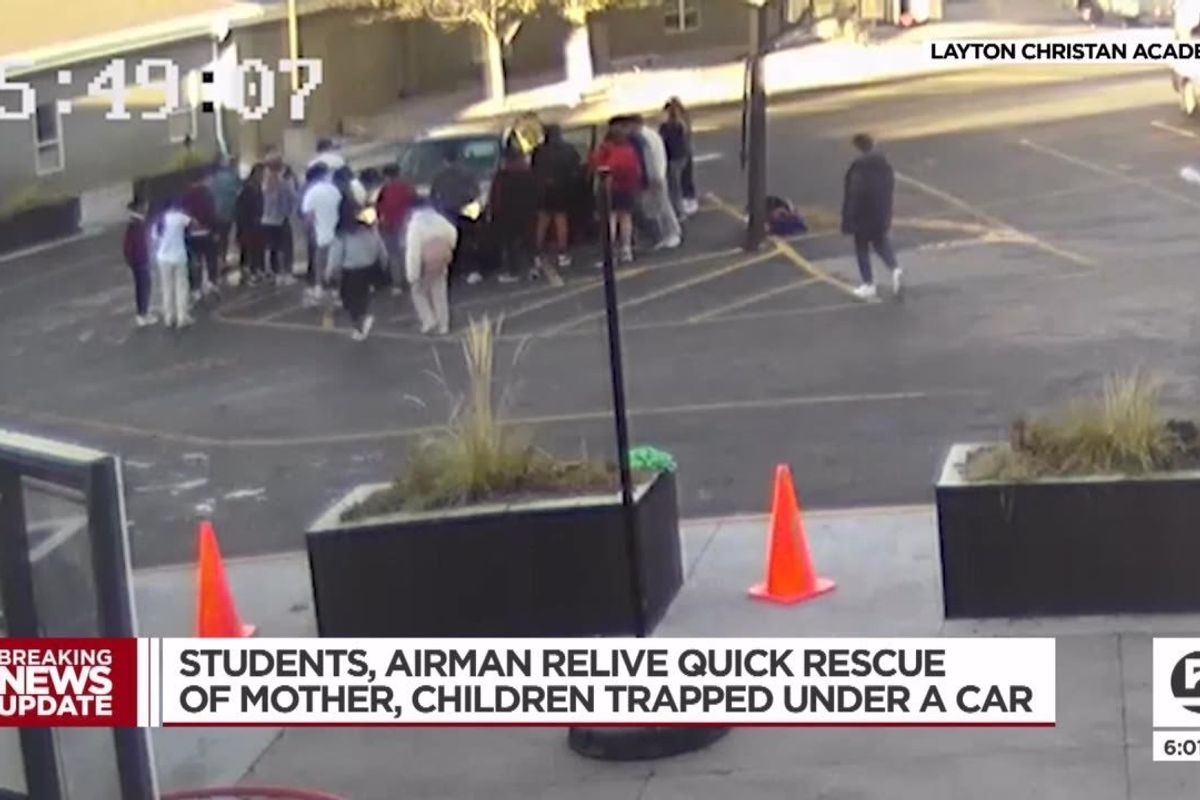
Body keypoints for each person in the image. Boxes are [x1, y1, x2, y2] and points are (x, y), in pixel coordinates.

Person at [841, 132, 901, 300]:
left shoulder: (859, 167)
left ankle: (868, 284)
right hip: (881, 212)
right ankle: (895, 269)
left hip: (863, 214)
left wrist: (849, 217)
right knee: (881, 243)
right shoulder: (884, 164)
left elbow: (855, 193)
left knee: (861, 248)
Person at [328, 205, 387, 341]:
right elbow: (380, 247)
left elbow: (336, 254)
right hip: (370, 267)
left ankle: (359, 326)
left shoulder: (343, 234)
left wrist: (330, 270)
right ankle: (363, 318)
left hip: (351, 270)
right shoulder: (370, 230)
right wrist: (384, 261)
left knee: (350, 301)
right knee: (363, 297)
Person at [627, 114, 681, 250]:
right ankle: (666, 234)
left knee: (662, 206)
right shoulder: (650, 134)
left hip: (654, 174)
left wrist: (653, 176)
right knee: (658, 205)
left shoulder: (644, 138)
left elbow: (650, 157)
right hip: (657, 172)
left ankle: (672, 233)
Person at [531, 124, 581, 270]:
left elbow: (534, 169)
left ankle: (537, 252)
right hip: (563, 188)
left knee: (543, 220)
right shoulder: (568, 149)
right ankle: (562, 253)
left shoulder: (540, 150)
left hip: (544, 189)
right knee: (561, 220)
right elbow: (576, 168)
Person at [589, 126, 643, 264]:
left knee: (610, 220)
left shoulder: (610, 152)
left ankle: (610, 252)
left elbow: (597, 164)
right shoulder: (629, 151)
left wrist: (600, 150)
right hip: (628, 188)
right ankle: (626, 249)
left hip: (612, 189)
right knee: (626, 218)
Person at [487, 145, 539, 284]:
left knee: (510, 244)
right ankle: (533, 267)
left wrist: (493, 213)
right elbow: (537, 191)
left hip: (508, 213)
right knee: (529, 240)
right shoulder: (529, 173)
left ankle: (513, 271)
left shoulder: (502, 175)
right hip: (528, 211)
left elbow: (496, 196)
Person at [406, 200, 458, 336]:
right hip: (441, 260)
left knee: (418, 291)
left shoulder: (415, 225)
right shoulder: (439, 219)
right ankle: (443, 325)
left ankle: (428, 320)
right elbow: (453, 233)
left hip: (426, 263)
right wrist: (448, 248)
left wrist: (412, 274)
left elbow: (413, 251)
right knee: (440, 292)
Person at [430, 149, 481, 282]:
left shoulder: (439, 176)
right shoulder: (467, 173)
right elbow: (476, 191)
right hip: (465, 211)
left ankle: (451, 273)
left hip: (446, 214)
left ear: (444, 160)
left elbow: (433, 196)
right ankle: (472, 270)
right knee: (467, 242)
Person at [300, 162, 343, 304]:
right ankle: (336, 291)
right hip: (336, 234)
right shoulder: (334, 189)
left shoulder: (311, 192)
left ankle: (319, 288)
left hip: (321, 234)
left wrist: (309, 232)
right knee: (336, 265)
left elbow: (308, 217)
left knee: (320, 262)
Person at [153, 199, 194, 328]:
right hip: (179, 256)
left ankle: (169, 317)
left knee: (167, 288)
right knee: (181, 287)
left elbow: (155, 239)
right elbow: (193, 224)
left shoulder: (158, 222)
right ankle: (182, 317)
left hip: (163, 258)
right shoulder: (180, 218)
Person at [377, 163, 417, 294]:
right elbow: (415, 203)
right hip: (407, 224)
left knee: (394, 257)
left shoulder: (384, 190)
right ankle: (412, 280)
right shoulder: (407, 188)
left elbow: (379, 209)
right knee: (408, 253)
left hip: (390, 226)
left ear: (386, 176)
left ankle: (397, 284)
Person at [261, 155, 298, 286]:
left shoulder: (265, 183)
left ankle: (276, 274)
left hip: (266, 219)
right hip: (280, 219)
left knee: (273, 248)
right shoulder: (283, 182)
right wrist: (289, 212)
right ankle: (285, 274)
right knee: (285, 247)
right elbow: (292, 198)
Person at [181, 177, 219, 298]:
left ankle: (195, 288)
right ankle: (211, 282)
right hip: (206, 233)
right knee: (210, 260)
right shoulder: (207, 195)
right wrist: (215, 231)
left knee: (194, 263)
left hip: (192, 235)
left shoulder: (186, 197)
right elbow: (213, 213)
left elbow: (183, 215)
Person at [122, 197, 156, 327]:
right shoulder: (136, 225)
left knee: (142, 287)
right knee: (144, 287)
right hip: (140, 261)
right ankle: (143, 314)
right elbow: (132, 246)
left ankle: (143, 313)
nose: (146, 210)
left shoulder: (135, 224)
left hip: (139, 261)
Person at [207, 157, 241, 278]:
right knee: (224, 237)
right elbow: (239, 192)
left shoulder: (210, 180)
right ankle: (222, 260)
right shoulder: (232, 178)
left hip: (214, 214)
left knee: (217, 238)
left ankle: (217, 261)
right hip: (228, 212)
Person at [666, 97, 699, 215]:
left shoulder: (678, 123)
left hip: (680, 154)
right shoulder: (682, 121)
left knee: (680, 180)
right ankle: (687, 200)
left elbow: (682, 137)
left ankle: (687, 201)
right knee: (683, 178)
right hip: (683, 153)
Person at [660, 101, 691, 221]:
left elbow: (663, 141)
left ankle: (679, 211)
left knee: (674, 187)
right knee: (675, 185)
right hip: (681, 157)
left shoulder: (667, 127)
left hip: (673, 158)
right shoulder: (681, 125)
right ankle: (679, 209)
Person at [235, 163, 265, 285]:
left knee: (254, 248)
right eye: (261, 173)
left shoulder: (255, 186)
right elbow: (242, 208)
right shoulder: (248, 188)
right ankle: (249, 272)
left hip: (254, 223)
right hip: (248, 224)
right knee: (249, 249)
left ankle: (254, 270)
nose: (262, 176)